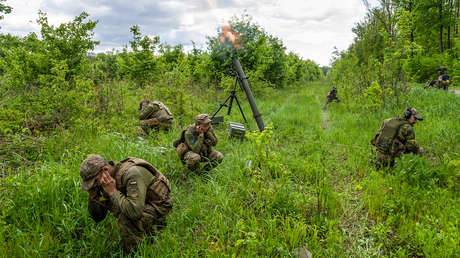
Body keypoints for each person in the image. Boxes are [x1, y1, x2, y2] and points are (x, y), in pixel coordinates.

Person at [79, 155, 172, 252]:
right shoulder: (104, 181)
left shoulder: (131, 175)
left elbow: (134, 212)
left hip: (158, 204)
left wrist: (112, 192)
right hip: (139, 202)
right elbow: (97, 217)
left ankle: (135, 252)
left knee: (125, 218)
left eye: (95, 181)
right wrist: (93, 195)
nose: (94, 184)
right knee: (120, 208)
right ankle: (149, 230)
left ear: (105, 170)